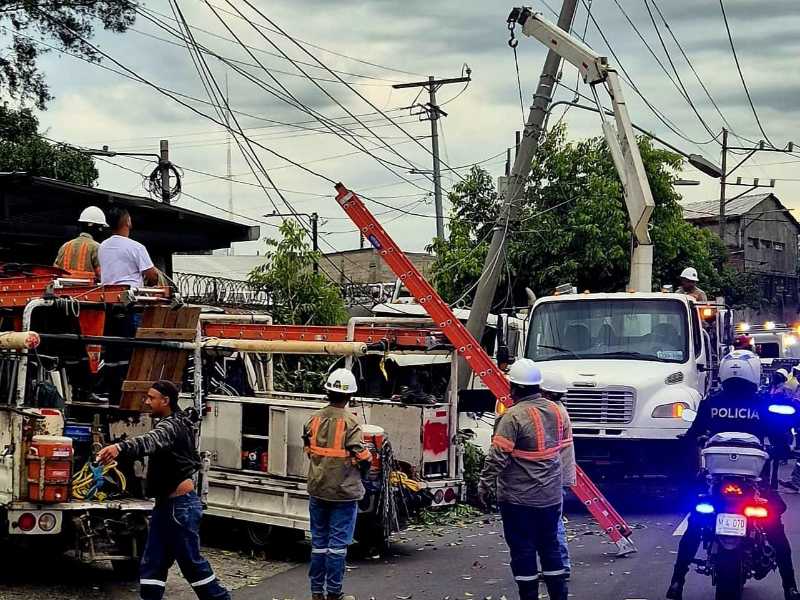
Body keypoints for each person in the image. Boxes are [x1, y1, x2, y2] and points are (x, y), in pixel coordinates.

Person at [667, 350, 800, 600]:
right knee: (775, 529)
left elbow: (692, 435)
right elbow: (781, 441)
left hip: (716, 482)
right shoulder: (762, 404)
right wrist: (780, 450)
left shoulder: (711, 403)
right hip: (754, 484)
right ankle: (790, 587)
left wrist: (686, 449)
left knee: (695, 525)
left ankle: (676, 583)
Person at [96, 380, 230, 600]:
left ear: (165, 400)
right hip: (166, 506)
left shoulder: (171, 426)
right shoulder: (176, 422)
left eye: (151, 398)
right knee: (153, 562)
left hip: (180, 507)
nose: (147, 402)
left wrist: (119, 447)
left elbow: (150, 441)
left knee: (191, 564)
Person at [478, 359, 572, 600]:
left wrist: (484, 485)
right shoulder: (558, 412)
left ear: (515, 388)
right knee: (550, 547)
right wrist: (564, 485)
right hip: (550, 498)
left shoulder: (512, 416)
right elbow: (565, 452)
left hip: (518, 500)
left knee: (523, 551)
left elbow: (497, 457)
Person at [303, 368, 372, 600]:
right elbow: (361, 456)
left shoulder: (313, 419)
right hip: (343, 492)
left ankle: (316, 592)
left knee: (318, 543)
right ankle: (334, 593)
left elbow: (309, 449)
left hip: (317, 488)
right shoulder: (351, 422)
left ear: (328, 392)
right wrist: (366, 467)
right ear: (350, 395)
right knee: (337, 546)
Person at [540, 370, 575, 578]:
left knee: (553, 523)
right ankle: (557, 566)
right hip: (559, 474)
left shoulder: (552, 414)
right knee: (553, 521)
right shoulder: (559, 410)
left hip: (554, 476)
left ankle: (560, 566)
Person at [98, 207, 160, 287]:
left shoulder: (102, 246)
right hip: (131, 293)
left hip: (107, 293)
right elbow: (153, 275)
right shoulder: (136, 247)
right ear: (128, 222)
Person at [54, 206, 108, 278]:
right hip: (88, 285)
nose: (101, 230)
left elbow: (55, 270)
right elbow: (101, 274)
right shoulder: (96, 247)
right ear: (92, 226)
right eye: (100, 227)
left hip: (64, 285)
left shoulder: (65, 246)